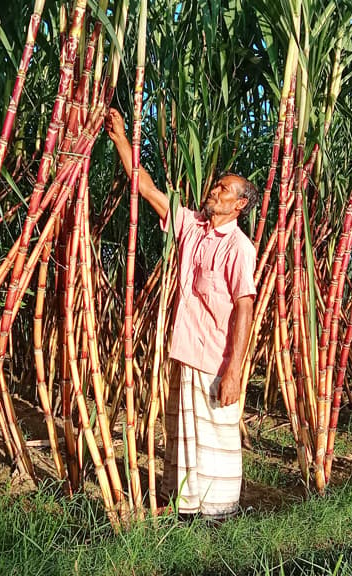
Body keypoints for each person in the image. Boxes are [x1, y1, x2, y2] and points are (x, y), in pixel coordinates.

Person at [105, 108, 258, 520]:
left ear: (240, 204)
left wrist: (234, 370)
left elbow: (244, 306)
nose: (214, 191)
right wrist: (121, 139)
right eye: (215, 186)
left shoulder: (238, 248)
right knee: (183, 434)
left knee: (214, 438)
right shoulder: (191, 226)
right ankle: (187, 505)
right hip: (185, 350)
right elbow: (148, 189)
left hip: (214, 358)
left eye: (224, 189)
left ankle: (219, 510)